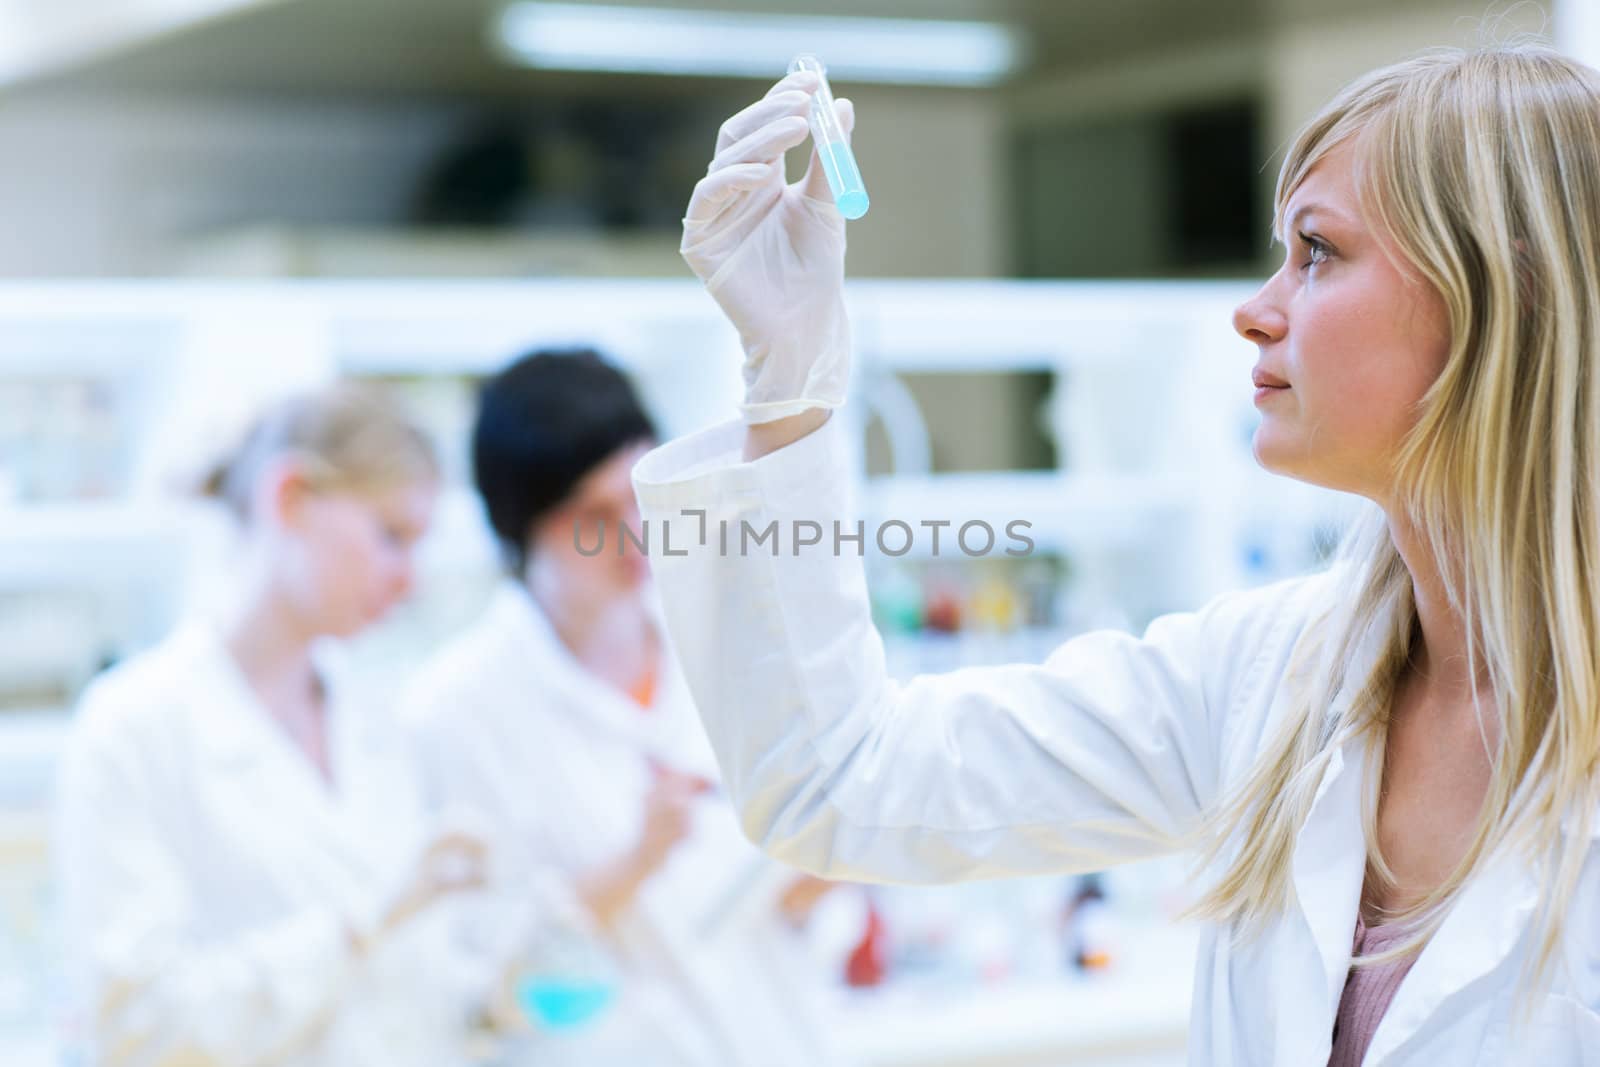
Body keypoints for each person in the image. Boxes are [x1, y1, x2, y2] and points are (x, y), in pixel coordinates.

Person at [630, 47, 1600, 1066]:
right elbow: (842, 784)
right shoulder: (1271, 677)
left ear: (1503, 295)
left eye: (1316, 251)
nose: (1253, 309)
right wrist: (789, 371)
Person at [54, 386, 524, 1067]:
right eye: (391, 536)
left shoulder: (379, 722)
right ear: (290, 498)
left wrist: (505, 965)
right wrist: (362, 921)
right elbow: (137, 1030)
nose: (408, 580)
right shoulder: (134, 726)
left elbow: (415, 998)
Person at [403, 349, 848, 1066]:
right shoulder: (456, 710)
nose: (633, 535)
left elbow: (793, 926)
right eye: (595, 513)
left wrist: (819, 874)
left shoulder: (730, 638)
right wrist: (636, 860)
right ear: (521, 525)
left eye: (642, 499)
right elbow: (483, 997)